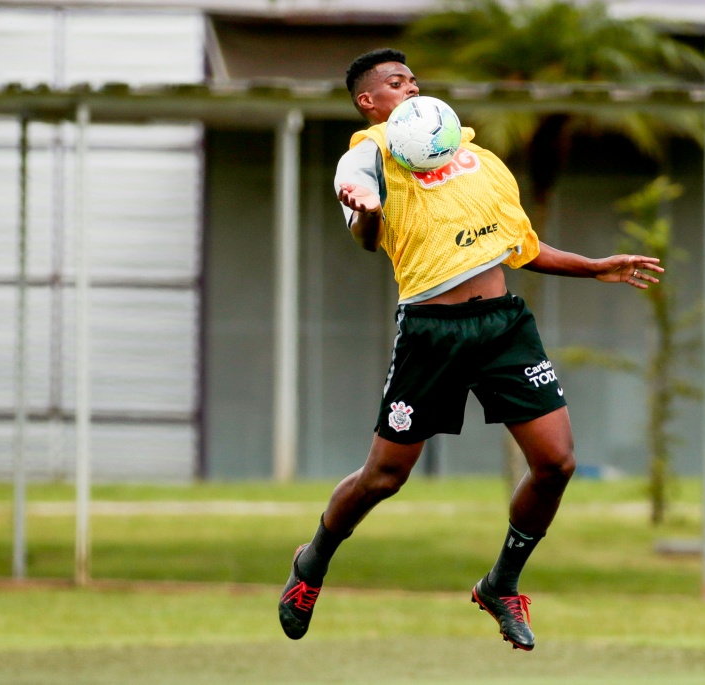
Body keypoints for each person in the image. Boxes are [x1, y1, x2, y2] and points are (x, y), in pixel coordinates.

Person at [277, 48, 663, 651]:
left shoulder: (479, 159)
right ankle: (312, 563)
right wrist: (367, 214)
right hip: (432, 331)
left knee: (557, 464)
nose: (412, 89)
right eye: (396, 83)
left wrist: (595, 268)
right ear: (369, 102)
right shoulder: (367, 157)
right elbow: (362, 230)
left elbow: (523, 247)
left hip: (503, 326)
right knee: (384, 477)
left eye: (414, 80)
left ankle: (500, 583)